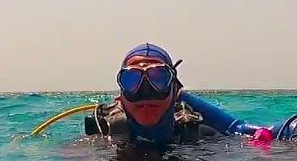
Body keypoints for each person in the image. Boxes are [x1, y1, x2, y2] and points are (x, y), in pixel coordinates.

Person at [84, 43, 263, 149]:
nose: (145, 92)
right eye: (132, 80)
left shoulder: (205, 139)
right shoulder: (99, 141)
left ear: (175, 89)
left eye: (159, 79)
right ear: (121, 96)